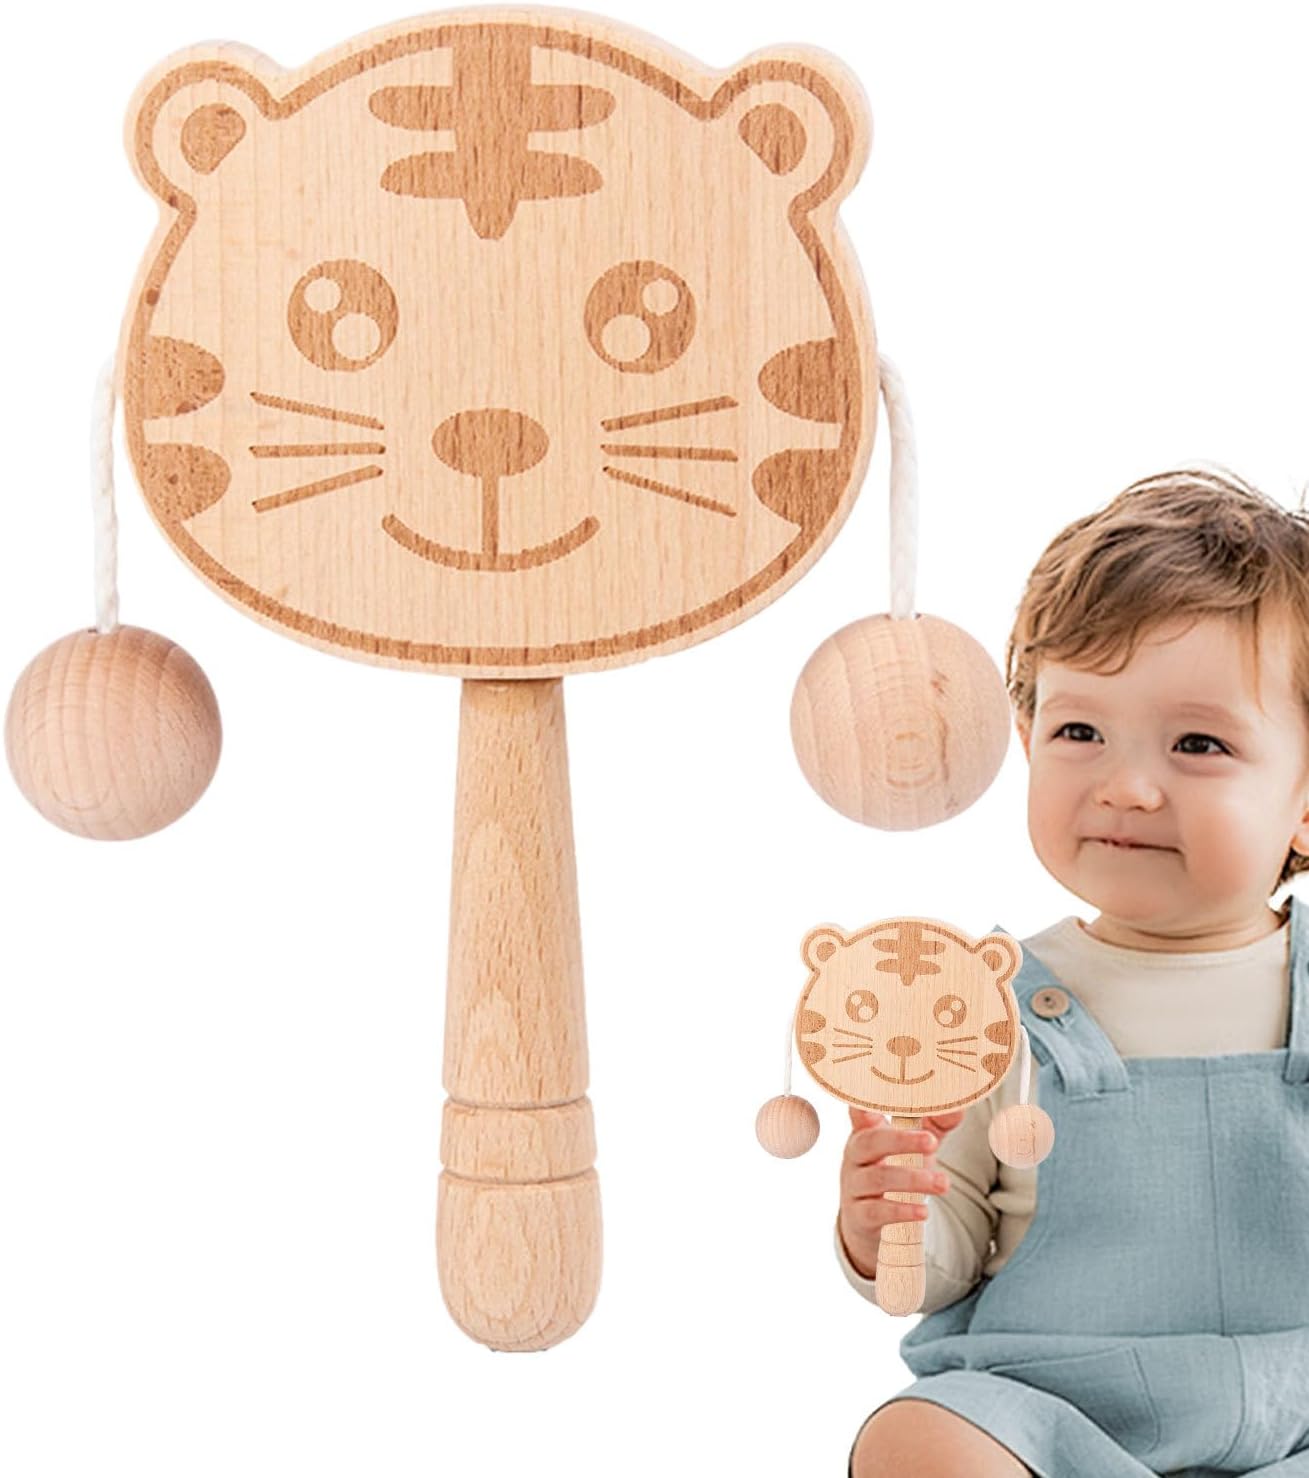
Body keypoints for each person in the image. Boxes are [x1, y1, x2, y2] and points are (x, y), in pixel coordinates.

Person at [838, 466, 1309, 1478]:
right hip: (1049, 1407)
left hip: (1296, 1406)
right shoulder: (978, 1000)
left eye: (1197, 742)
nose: (1126, 786)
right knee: (914, 1437)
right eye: (1079, 732)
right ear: (1025, 741)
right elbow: (948, 1254)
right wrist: (894, 1222)